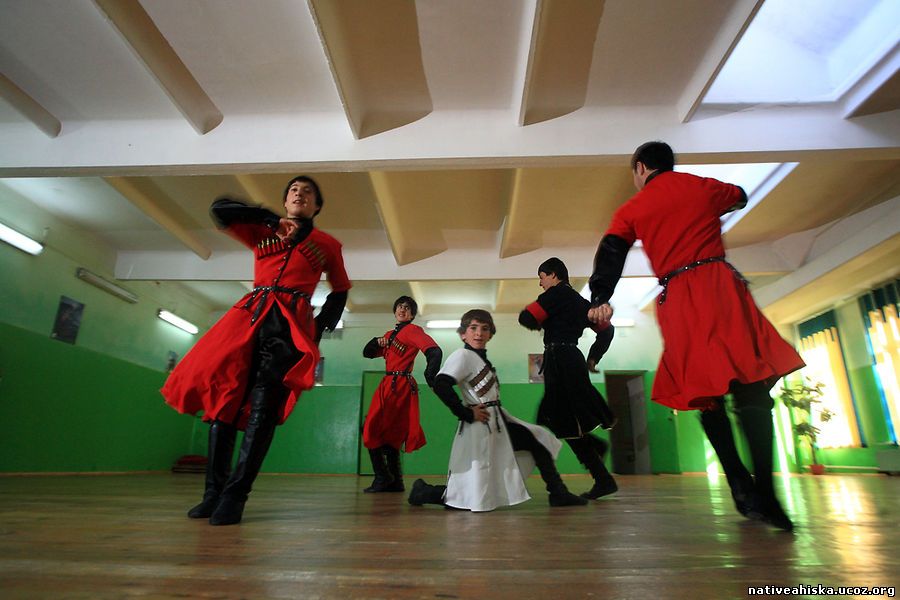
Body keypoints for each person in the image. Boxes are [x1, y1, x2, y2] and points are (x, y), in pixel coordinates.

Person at [587, 141, 805, 531]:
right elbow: (739, 196)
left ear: (640, 169)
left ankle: (738, 481)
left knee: (706, 394)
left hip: (681, 297)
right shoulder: (702, 186)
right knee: (752, 389)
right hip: (722, 286)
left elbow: (612, 251)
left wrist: (600, 296)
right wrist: (718, 204)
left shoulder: (633, 208)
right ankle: (768, 494)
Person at [162, 175, 350, 526]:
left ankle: (235, 496)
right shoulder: (264, 231)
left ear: (317, 206)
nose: (300, 193)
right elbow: (220, 211)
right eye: (294, 189)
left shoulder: (327, 244)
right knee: (223, 409)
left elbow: (340, 290)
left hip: (288, 328)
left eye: (308, 192)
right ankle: (212, 494)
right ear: (285, 201)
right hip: (247, 321)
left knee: (263, 413)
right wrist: (266, 218)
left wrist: (317, 330)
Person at [408, 309, 587, 511]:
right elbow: (441, 383)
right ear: (463, 334)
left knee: (536, 443)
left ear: (490, 334)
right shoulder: (462, 355)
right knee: (472, 489)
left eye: (485, 329)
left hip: (497, 420)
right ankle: (424, 491)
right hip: (481, 423)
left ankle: (558, 492)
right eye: (473, 328)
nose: (479, 333)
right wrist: (466, 412)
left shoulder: (480, 358)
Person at [518, 257, 618, 500]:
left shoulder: (554, 296)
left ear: (553, 275)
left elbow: (526, 317)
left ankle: (600, 471)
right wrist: (593, 358)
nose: (541, 284)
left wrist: (543, 320)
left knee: (556, 418)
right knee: (563, 419)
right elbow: (608, 330)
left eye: (542, 277)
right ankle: (600, 467)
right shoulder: (581, 302)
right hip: (571, 357)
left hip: (558, 359)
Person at [361, 296, 442, 493]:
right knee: (390, 433)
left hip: (399, 385)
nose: (402, 309)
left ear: (412, 314)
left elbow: (434, 351)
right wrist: (374, 342)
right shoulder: (390, 335)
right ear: (395, 310)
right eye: (399, 306)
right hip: (389, 384)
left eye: (407, 308)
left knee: (371, 428)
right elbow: (368, 353)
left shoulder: (412, 331)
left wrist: (430, 376)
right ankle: (395, 481)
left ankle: (383, 477)